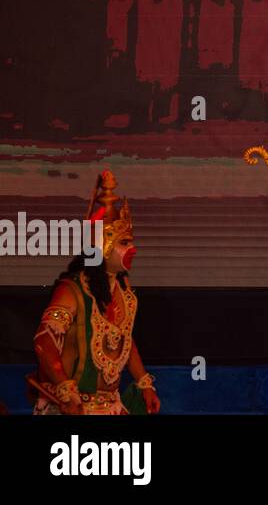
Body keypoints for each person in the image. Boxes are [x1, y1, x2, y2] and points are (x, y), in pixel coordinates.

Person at [31, 170, 161, 415]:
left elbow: (125, 339)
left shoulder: (124, 292)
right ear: (103, 248)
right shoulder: (72, 291)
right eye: (124, 243)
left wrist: (145, 384)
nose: (133, 248)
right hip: (73, 407)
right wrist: (65, 390)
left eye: (131, 241)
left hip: (111, 406)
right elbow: (44, 341)